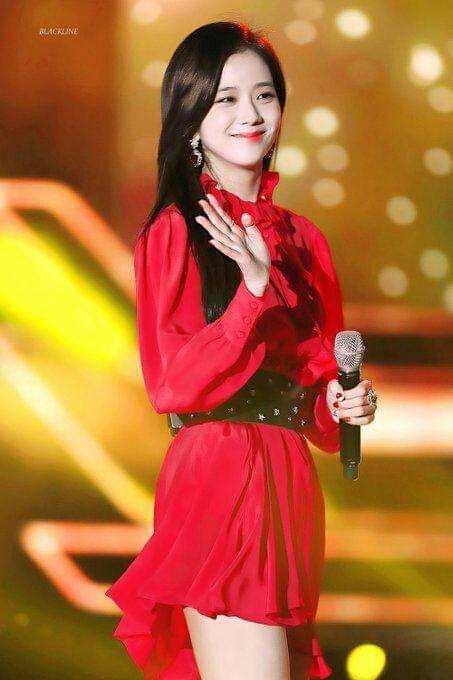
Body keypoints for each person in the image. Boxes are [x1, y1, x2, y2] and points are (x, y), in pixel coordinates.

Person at [105, 20, 378, 680]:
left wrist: (343, 403)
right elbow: (171, 384)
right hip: (221, 475)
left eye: (263, 95)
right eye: (224, 98)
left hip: (290, 485)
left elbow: (315, 402)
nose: (249, 114)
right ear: (191, 119)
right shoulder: (176, 228)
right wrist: (252, 291)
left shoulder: (304, 241)